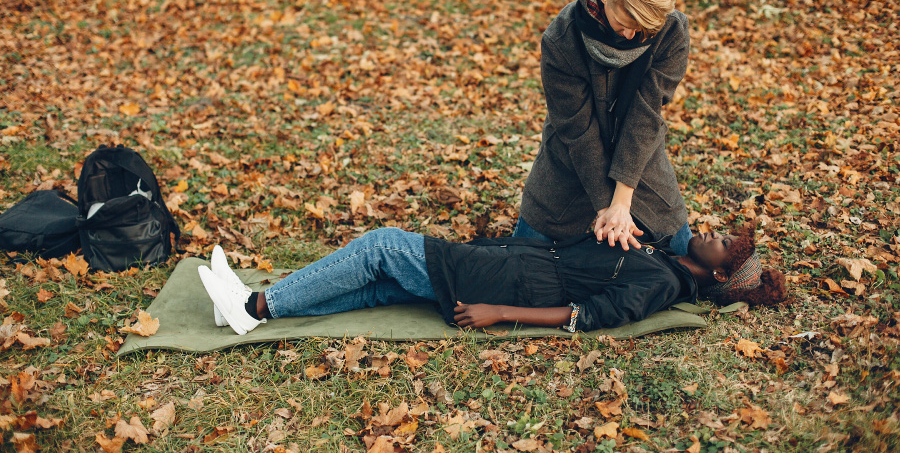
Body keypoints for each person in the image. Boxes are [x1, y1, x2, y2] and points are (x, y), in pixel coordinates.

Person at [198, 224, 786, 335]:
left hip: (515, 287)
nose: (708, 230)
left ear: (719, 270)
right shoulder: (664, 258)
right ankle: (250, 311)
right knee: (385, 285)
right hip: (519, 264)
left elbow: (589, 317)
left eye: (720, 240)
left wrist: (499, 313)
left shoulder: (661, 287)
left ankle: (255, 306)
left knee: (382, 247)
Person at [516, 0, 692, 255]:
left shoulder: (670, 29)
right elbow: (577, 130)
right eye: (624, 23)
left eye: (643, 29)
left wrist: (622, 201)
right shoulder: (562, 38)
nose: (631, 36)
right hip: (571, 158)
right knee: (521, 256)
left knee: (684, 252)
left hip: (639, 157)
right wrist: (605, 209)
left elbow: (645, 115)